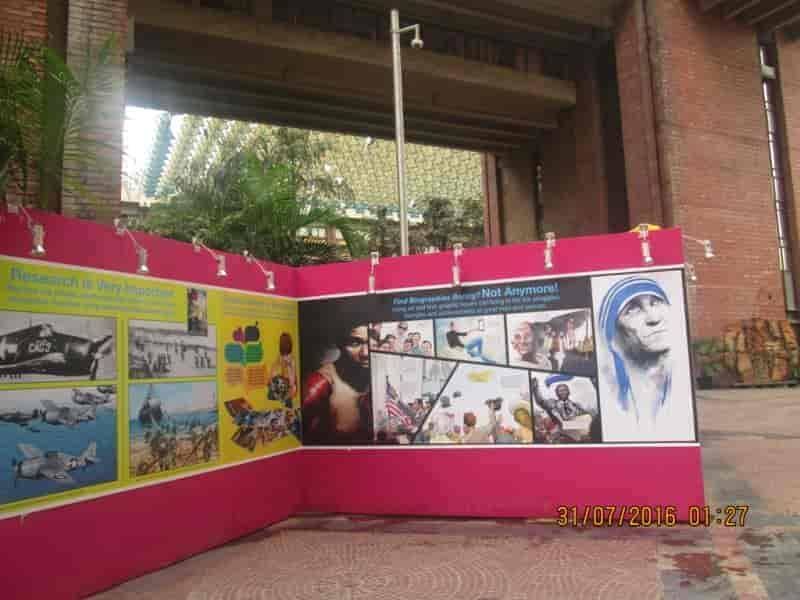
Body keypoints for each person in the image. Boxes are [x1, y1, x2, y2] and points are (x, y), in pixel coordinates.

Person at [598, 276, 675, 436]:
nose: (654, 318)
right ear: (612, 334)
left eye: (655, 302)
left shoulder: (679, 384)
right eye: (632, 310)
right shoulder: (610, 395)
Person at [302, 324, 372, 443]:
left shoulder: (380, 373)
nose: (365, 353)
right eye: (355, 343)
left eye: (371, 341)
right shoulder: (320, 383)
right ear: (340, 344)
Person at [531, 376, 599, 442]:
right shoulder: (553, 403)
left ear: (568, 392)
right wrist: (535, 389)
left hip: (578, 436)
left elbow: (587, 417)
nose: (563, 392)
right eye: (560, 390)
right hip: (562, 435)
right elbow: (541, 401)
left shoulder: (575, 405)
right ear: (557, 393)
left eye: (565, 390)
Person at [270, 333, 297, 406]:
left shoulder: (285, 358)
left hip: (286, 386)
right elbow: (293, 376)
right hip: (286, 386)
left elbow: (287, 375)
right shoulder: (289, 358)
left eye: (280, 342)